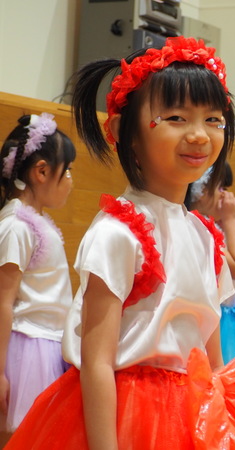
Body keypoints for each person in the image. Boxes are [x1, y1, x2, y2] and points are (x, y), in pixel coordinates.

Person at [6, 37, 235, 449]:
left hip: (193, 415)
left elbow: (212, 358)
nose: (199, 135)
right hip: (125, 416)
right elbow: (97, 361)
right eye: (176, 118)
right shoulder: (118, 232)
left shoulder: (204, 235)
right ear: (123, 131)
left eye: (213, 119)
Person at [0, 113, 75, 443]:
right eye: (67, 170)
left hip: (48, 344)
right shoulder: (16, 226)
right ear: (41, 171)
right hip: (28, 348)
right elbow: (3, 302)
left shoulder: (32, 222)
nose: (70, 180)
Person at [186, 162, 235, 364]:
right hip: (218, 323)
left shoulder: (211, 228)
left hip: (228, 318)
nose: (226, 195)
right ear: (200, 191)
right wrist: (230, 219)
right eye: (221, 188)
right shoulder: (200, 229)